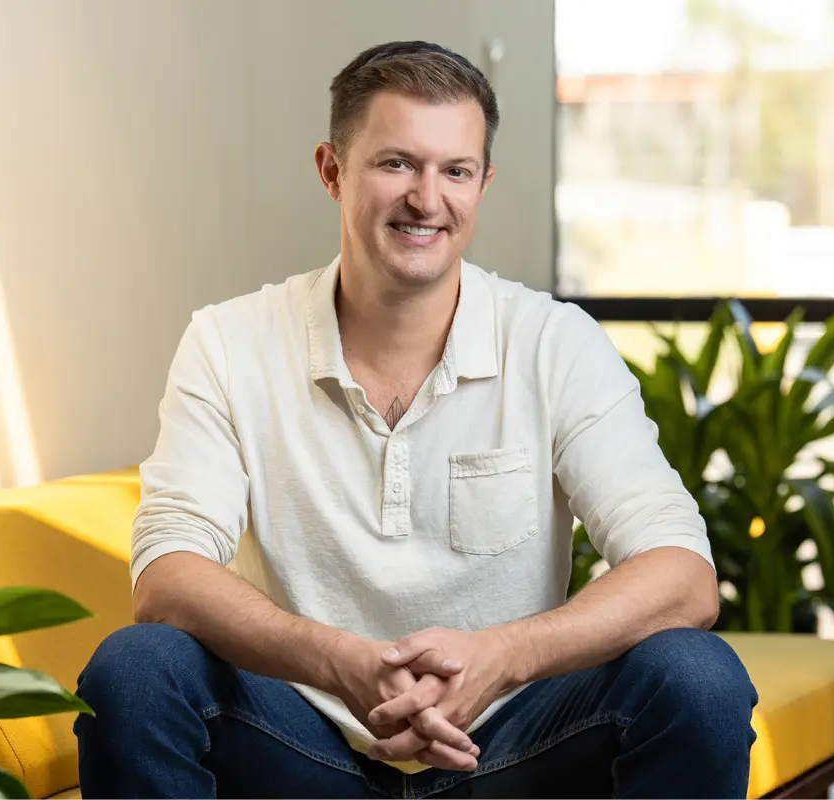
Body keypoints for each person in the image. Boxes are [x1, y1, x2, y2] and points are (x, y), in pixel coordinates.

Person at [73, 40, 756, 799]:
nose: (427, 199)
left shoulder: (554, 343)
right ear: (332, 171)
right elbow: (166, 576)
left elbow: (684, 574)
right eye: (396, 163)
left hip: (507, 748)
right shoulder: (229, 343)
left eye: (455, 171)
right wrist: (340, 663)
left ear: (482, 182)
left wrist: (501, 656)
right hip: (301, 745)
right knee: (136, 672)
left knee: (700, 678)